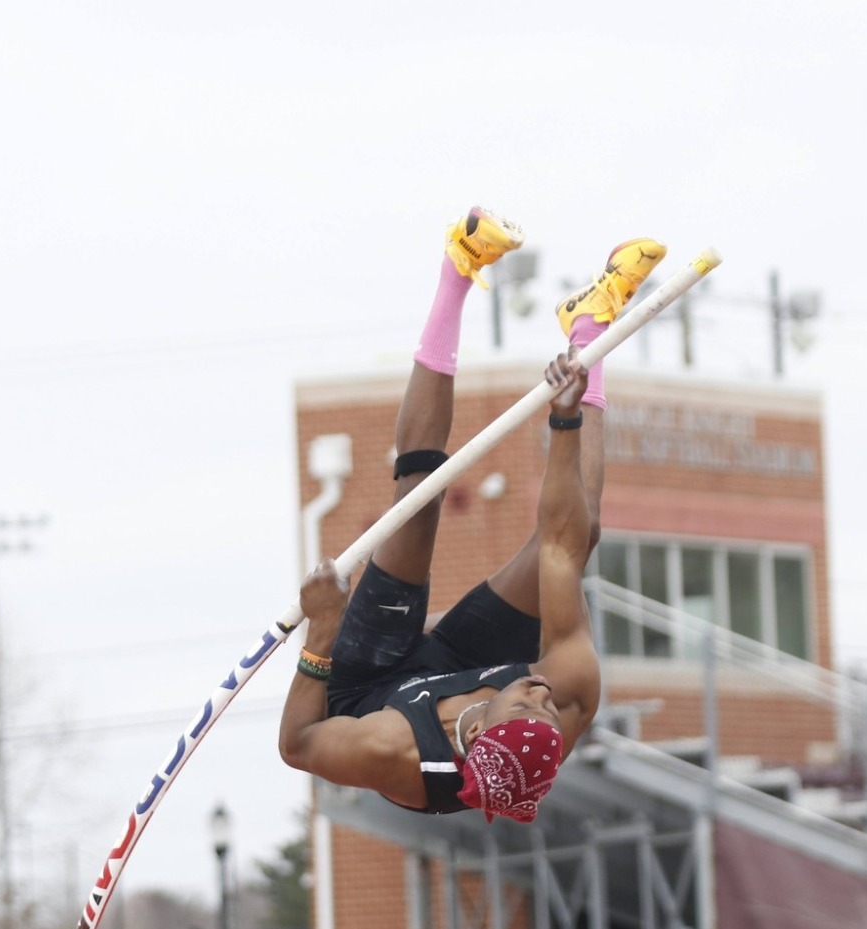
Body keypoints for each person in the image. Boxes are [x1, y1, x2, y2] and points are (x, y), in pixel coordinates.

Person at [279, 209, 664, 824]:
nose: (539, 691)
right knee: (583, 532)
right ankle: (590, 323)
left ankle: (459, 264)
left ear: (481, 730)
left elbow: (297, 747)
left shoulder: (393, 751)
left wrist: (322, 628)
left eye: (526, 706)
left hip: (366, 688)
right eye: (547, 710)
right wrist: (564, 419)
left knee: (420, 498)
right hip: (459, 663)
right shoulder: (567, 697)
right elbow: (560, 545)